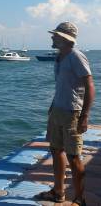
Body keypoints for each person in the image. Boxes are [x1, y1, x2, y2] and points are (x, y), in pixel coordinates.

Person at [34, 22, 95, 206]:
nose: (52, 37)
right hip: (57, 111)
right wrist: (51, 111)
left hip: (72, 113)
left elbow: (90, 86)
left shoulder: (76, 56)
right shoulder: (60, 56)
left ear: (64, 38)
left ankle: (79, 199)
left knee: (74, 156)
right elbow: (61, 87)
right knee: (55, 150)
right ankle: (58, 192)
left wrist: (84, 116)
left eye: (55, 35)